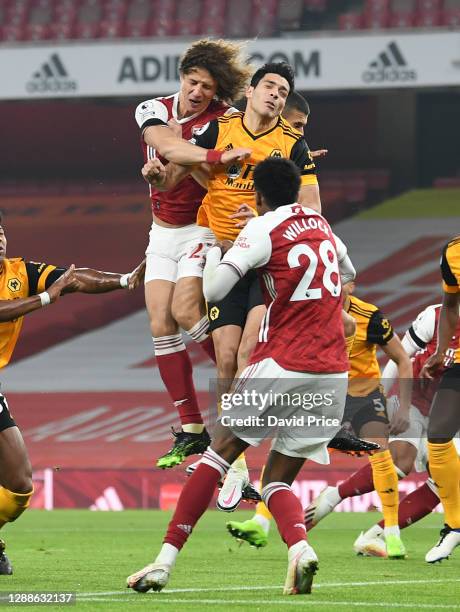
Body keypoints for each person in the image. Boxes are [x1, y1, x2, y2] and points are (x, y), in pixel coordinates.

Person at [127, 157, 353, 596]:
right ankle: (299, 550)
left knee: (217, 456)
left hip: (282, 363)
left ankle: (162, 563)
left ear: (257, 195)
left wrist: (206, 257)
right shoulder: (324, 227)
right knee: (278, 480)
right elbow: (348, 274)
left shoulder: (261, 229)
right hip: (332, 373)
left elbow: (215, 290)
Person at [0, 214, 144, 574]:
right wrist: (46, 299)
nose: (0, 239)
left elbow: (74, 279)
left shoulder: (20, 272)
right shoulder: (32, 289)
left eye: (0, 231)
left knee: (18, 487)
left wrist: (125, 280)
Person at [135, 38, 252, 469]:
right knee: (159, 323)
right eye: (193, 81)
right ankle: (192, 430)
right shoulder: (152, 109)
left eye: (207, 86)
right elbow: (167, 146)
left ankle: (239, 375)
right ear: (181, 77)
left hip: (203, 228)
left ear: (217, 90)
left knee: (186, 312)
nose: (198, 91)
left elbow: (251, 151)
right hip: (161, 233)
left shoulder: (225, 119)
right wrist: (214, 157)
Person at [303, 281, 412, 559]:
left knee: (380, 452)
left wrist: (404, 409)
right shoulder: (310, 312)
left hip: (365, 397)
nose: (331, 287)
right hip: (328, 397)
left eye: (338, 281)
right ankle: (261, 521)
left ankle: (392, 533)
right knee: (291, 450)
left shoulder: (371, 317)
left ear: (349, 285)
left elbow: (403, 359)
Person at [350, 302, 460, 557]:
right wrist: (377, 402)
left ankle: (374, 534)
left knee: (444, 482)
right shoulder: (434, 316)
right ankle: (336, 497)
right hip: (415, 404)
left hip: (448, 413)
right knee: (401, 463)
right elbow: (399, 356)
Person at [421, 235, 460, 563]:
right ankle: (456, 525)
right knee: (437, 435)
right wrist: (440, 351)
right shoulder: (453, 251)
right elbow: (450, 306)